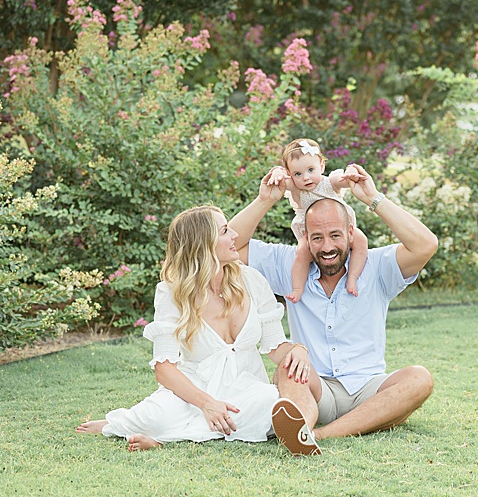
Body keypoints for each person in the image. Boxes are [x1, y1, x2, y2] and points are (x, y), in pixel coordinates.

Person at [77, 206, 318, 453]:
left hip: (245, 390)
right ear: (203, 244)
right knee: (159, 416)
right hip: (192, 391)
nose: (235, 235)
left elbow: (276, 346)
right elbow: (164, 369)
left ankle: (164, 438)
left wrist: (298, 350)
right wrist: (207, 404)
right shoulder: (172, 292)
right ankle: (124, 424)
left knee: (268, 400)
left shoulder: (252, 280)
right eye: (225, 231)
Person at [227, 163, 438, 443]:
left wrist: (373, 198)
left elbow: (425, 245)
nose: (327, 247)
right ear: (305, 237)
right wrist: (264, 200)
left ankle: (318, 434)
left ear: (351, 233)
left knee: (419, 378)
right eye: (317, 237)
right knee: (288, 368)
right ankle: (303, 424)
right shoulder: (289, 264)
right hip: (314, 387)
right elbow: (231, 246)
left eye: (335, 235)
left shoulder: (376, 266)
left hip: (367, 389)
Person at [273, 137, 368, 302]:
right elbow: (282, 180)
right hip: (311, 234)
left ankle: (352, 277)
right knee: (302, 252)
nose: (306, 178)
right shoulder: (296, 188)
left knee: (360, 240)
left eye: (311, 170)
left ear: (321, 166)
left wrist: (350, 174)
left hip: (340, 229)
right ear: (290, 174)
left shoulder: (329, 183)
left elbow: (343, 180)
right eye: (297, 173)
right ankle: (297, 288)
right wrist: (277, 173)